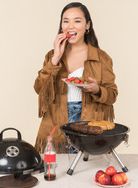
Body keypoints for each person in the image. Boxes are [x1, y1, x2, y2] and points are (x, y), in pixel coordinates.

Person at [34, 2, 118, 153]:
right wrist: (55, 58)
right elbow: (39, 88)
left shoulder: (102, 58)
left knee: (85, 168)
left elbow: (112, 95)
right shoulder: (51, 56)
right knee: (58, 168)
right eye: (65, 21)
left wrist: (97, 89)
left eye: (77, 21)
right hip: (57, 119)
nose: (70, 26)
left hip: (89, 120)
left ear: (87, 25)